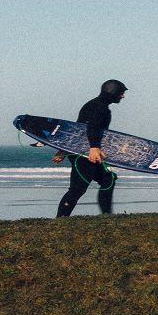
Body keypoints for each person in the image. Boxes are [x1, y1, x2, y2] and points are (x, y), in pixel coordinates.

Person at [53, 79, 126, 217]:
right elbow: (92, 126)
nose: (123, 96)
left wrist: (63, 149)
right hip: (84, 153)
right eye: (121, 93)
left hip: (84, 150)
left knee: (108, 179)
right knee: (78, 188)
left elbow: (77, 128)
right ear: (113, 92)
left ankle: (106, 215)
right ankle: (61, 219)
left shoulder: (96, 105)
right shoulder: (99, 107)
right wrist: (94, 147)